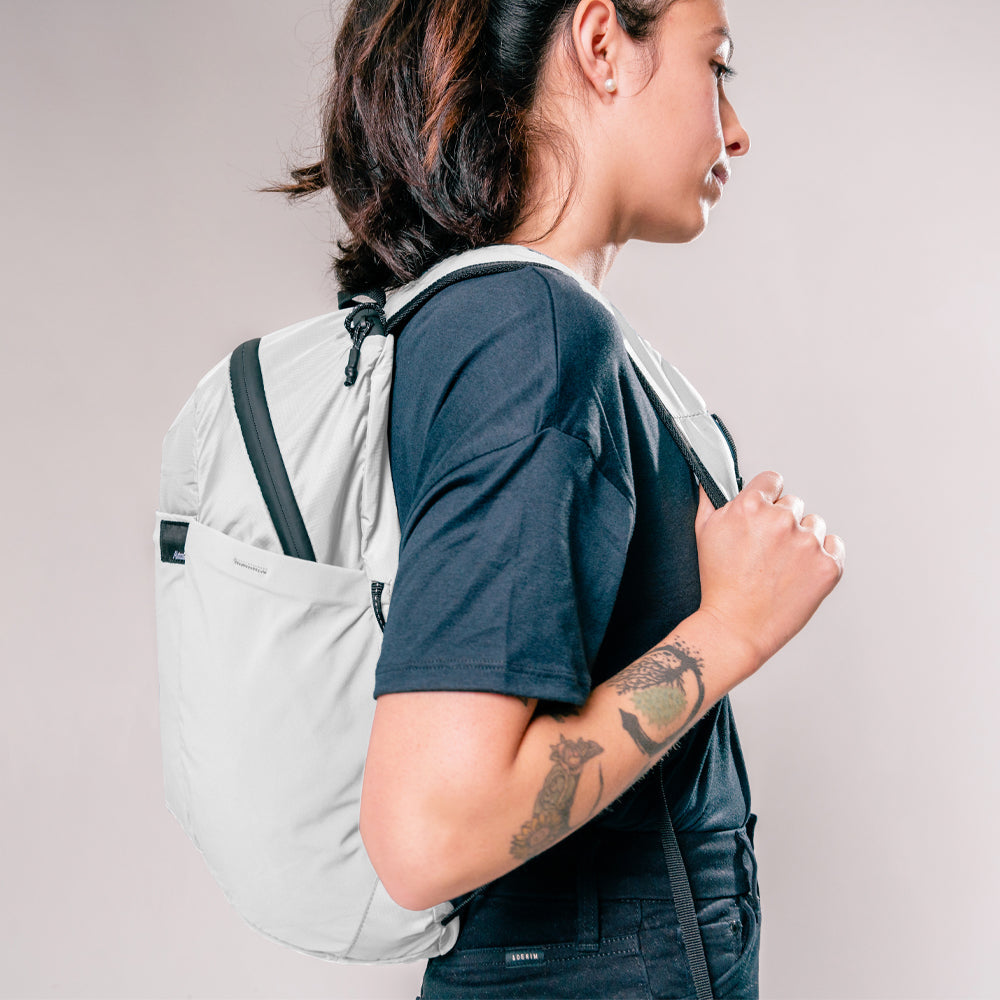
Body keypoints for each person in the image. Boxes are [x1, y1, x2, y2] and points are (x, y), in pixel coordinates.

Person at [263, 0, 845, 996]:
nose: (734, 128)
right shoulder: (528, 333)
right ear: (601, 45)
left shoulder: (489, 320)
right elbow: (428, 829)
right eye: (717, 66)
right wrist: (733, 630)